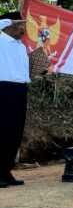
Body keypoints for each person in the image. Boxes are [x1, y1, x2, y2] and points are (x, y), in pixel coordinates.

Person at [0, 13, 30, 187]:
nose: (22, 28)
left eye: (23, 25)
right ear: (8, 26)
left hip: (20, 89)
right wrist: (7, 21)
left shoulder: (21, 46)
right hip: (3, 88)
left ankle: (5, 171)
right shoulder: (1, 41)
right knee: (2, 130)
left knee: (15, 132)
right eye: (19, 25)